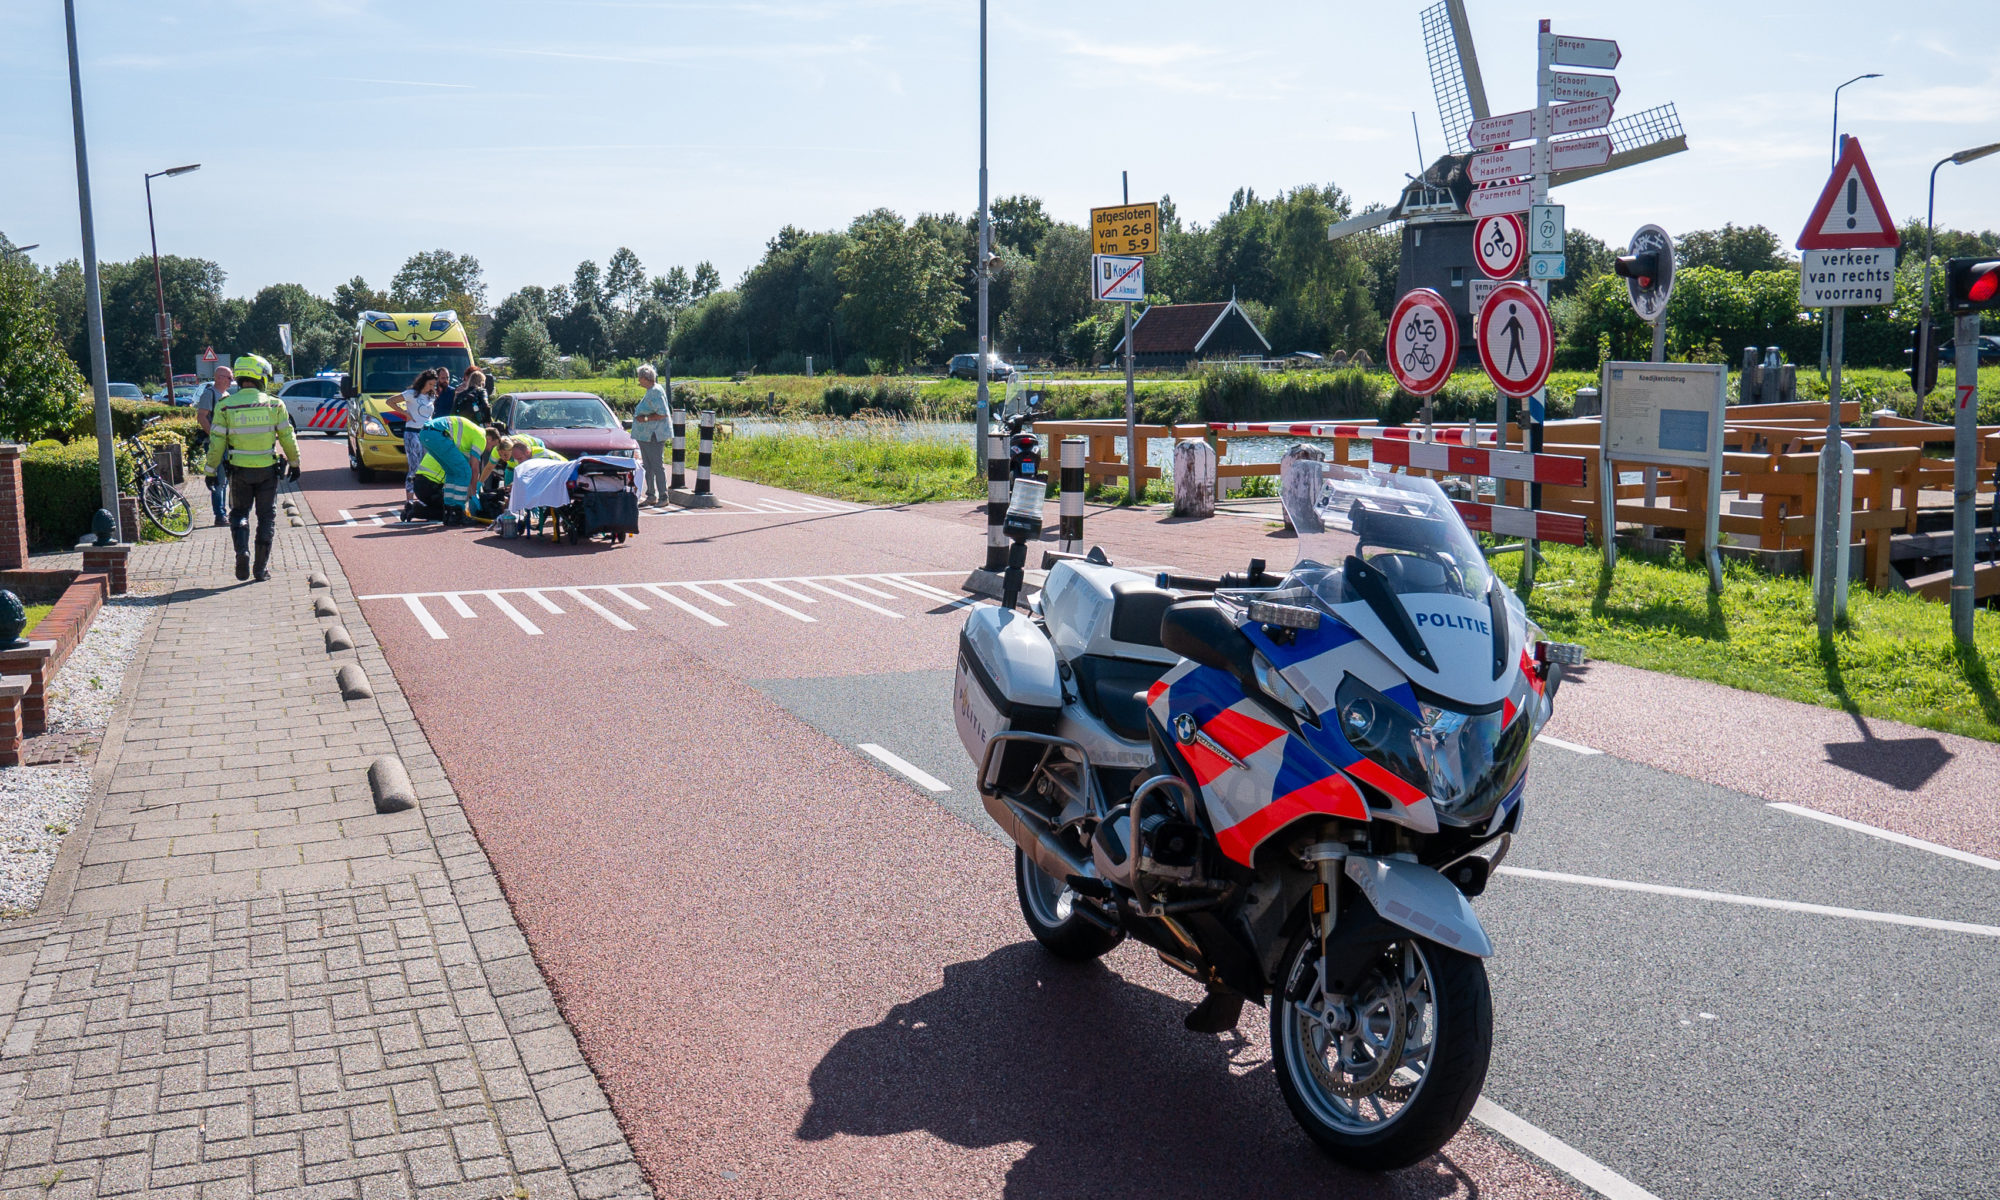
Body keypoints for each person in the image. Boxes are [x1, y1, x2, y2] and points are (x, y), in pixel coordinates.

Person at [203, 355, 298, 582]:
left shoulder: (225, 406)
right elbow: (287, 437)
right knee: (266, 518)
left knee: (238, 514)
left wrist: (210, 471)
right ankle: (260, 569)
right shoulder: (275, 404)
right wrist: (295, 463)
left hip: (239, 471)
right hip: (267, 471)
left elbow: (217, 443)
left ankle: (242, 553)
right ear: (260, 376)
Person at [406, 414, 498, 526]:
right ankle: (458, 512)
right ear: (489, 438)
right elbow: (474, 468)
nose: (490, 449)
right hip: (438, 434)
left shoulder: (469, 435)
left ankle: (449, 513)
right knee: (464, 472)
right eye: (492, 445)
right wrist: (474, 493)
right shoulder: (481, 437)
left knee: (452, 473)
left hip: (426, 433)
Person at [385, 369, 441, 504]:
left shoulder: (431, 396)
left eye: (434, 385)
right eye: (430, 384)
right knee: (414, 467)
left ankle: (424, 497)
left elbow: (429, 415)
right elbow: (390, 401)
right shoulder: (411, 394)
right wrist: (405, 413)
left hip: (427, 433)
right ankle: (409, 499)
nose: (431, 388)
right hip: (412, 432)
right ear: (423, 382)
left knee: (426, 466)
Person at [194, 364, 235, 526]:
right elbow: (202, 417)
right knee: (219, 481)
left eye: (232, 377)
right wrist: (215, 437)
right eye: (229, 377)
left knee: (225, 480)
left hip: (227, 444)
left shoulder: (226, 395)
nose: (231, 381)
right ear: (218, 377)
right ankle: (220, 515)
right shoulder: (209, 394)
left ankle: (225, 512)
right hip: (215, 444)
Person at [630, 363, 671, 505]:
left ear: (645, 378)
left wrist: (645, 418)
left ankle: (663, 496)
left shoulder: (655, 391)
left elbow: (663, 414)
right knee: (648, 465)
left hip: (654, 434)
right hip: (646, 435)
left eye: (639, 378)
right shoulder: (651, 391)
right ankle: (651, 495)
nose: (638, 380)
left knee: (656, 465)